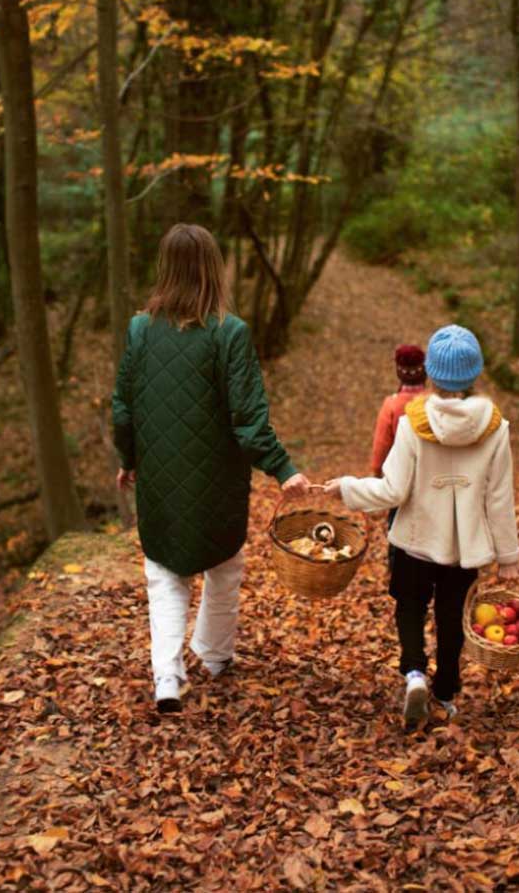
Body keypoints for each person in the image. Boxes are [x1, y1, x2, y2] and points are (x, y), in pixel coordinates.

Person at [112, 223, 310, 714]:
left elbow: (123, 407)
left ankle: (167, 679)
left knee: (164, 574)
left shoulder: (140, 329)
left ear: (166, 268)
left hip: (158, 474)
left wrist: (129, 459)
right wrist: (283, 469)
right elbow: (248, 418)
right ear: (212, 270)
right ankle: (216, 656)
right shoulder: (230, 333)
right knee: (224, 565)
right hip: (217, 479)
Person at [323, 324, 519, 730]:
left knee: (410, 606)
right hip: (464, 548)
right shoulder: (495, 428)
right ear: (475, 373)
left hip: (416, 542)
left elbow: (392, 489)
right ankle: (445, 691)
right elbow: (500, 497)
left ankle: (414, 672)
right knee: (452, 616)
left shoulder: (414, 422)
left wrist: (346, 488)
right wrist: (508, 558)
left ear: (430, 373)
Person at [370, 344, 427, 477]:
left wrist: (377, 472)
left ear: (399, 373)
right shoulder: (435, 401)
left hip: (401, 476)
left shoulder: (391, 405)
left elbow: (381, 446)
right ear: (424, 371)